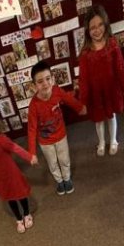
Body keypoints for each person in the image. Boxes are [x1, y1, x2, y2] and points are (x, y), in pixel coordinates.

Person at [77, 5, 124, 157]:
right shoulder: (85, 53)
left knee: (111, 116)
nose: (97, 30)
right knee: (98, 120)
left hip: (111, 90)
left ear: (106, 24)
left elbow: (120, 68)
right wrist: (83, 101)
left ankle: (113, 140)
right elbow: (83, 79)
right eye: (93, 27)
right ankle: (101, 141)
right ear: (88, 30)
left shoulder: (112, 44)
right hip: (95, 94)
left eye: (100, 25)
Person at [27, 60, 86, 195]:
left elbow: (69, 100)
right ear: (34, 85)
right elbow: (31, 129)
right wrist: (32, 153)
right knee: (52, 163)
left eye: (48, 79)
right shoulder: (33, 105)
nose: (45, 83)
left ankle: (67, 178)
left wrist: (80, 108)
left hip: (61, 135)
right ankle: (59, 181)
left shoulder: (57, 91)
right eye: (40, 81)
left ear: (53, 79)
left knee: (64, 159)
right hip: (45, 141)